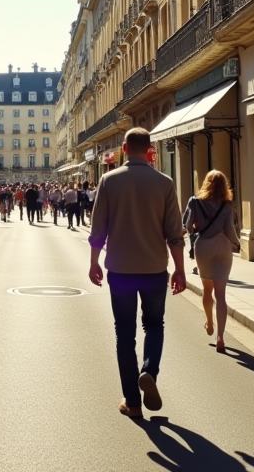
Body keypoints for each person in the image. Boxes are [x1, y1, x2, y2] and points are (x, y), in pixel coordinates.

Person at [88, 128, 185, 419]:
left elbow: (98, 229)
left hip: (120, 270)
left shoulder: (108, 180)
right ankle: (150, 371)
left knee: (124, 334)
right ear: (150, 149)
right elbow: (175, 234)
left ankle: (132, 402)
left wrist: (94, 262)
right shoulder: (165, 183)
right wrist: (179, 269)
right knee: (154, 325)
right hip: (154, 268)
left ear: (124, 149)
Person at [186, 171, 240, 351]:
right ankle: (220, 338)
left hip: (204, 247)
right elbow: (229, 229)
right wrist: (236, 243)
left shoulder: (195, 202)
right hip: (222, 246)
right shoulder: (227, 205)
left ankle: (209, 322)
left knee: (207, 290)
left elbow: (187, 226)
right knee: (221, 295)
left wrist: (196, 225)